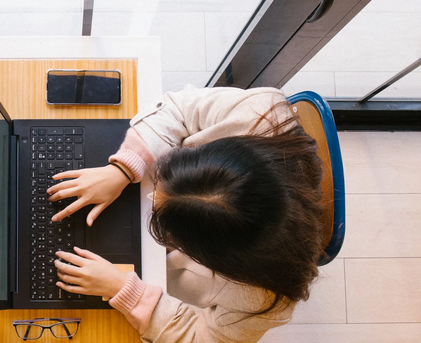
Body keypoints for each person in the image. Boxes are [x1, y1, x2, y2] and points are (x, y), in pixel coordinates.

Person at [46, 85, 325, 343]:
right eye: (163, 184)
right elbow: (179, 111)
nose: (150, 198)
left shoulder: (264, 300)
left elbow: (200, 339)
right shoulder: (260, 114)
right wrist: (123, 168)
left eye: (169, 228)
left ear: (212, 256)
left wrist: (126, 292)